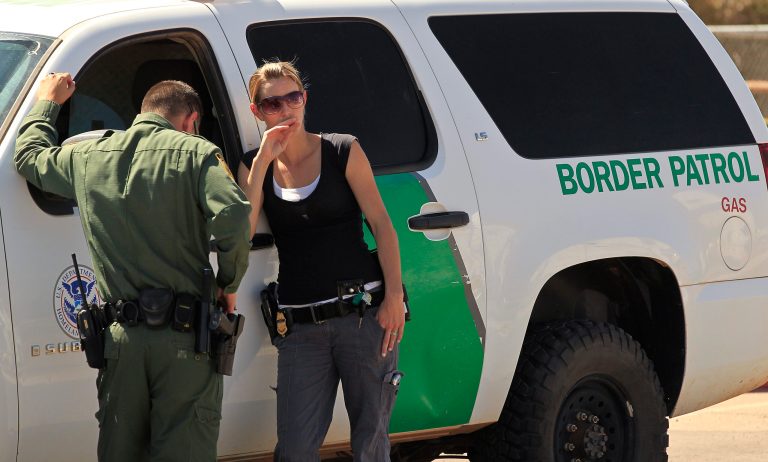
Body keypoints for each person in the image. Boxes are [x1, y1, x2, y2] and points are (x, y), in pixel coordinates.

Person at [15, 73, 252, 462]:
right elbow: (233, 214)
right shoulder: (196, 153)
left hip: (120, 342)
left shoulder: (88, 156)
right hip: (185, 340)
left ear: (143, 113)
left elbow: (29, 157)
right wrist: (229, 282)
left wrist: (47, 102)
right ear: (191, 120)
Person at [238, 61, 405, 461]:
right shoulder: (251, 165)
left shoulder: (342, 149)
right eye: (273, 103)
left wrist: (394, 297)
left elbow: (382, 225)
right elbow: (239, 235)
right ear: (257, 112)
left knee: (370, 441)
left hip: (363, 316)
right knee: (294, 448)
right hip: (300, 328)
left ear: (305, 99)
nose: (286, 109)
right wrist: (262, 161)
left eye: (292, 97)